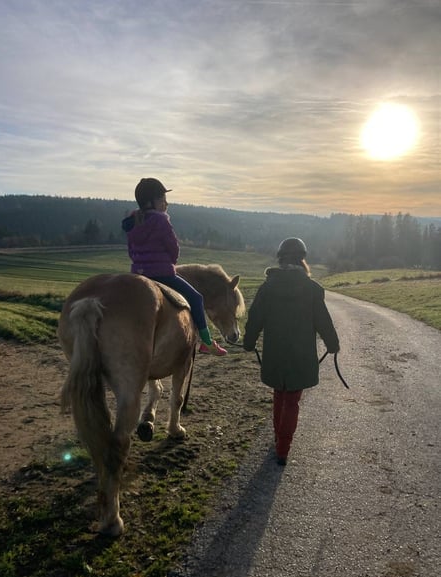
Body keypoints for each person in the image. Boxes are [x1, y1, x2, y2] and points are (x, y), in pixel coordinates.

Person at [243, 237, 340, 465]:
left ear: (280, 260)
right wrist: (332, 344)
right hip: (301, 355)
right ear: (302, 260)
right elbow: (323, 321)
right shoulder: (312, 289)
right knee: (292, 400)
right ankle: (283, 448)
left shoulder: (267, 288)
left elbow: (255, 318)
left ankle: (279, 438)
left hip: (274, 353)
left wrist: (249, 342)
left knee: (279, 393)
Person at [122, 177, 227, 356]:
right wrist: (170, 262)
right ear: (150, 202)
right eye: (162, 199)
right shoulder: (161, 221)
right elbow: (173, 248)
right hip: (162, 274)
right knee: (196, 298)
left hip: (138, 275)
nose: (166, 203)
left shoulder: (132, 223)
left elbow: (131, 251)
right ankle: (207, 342)